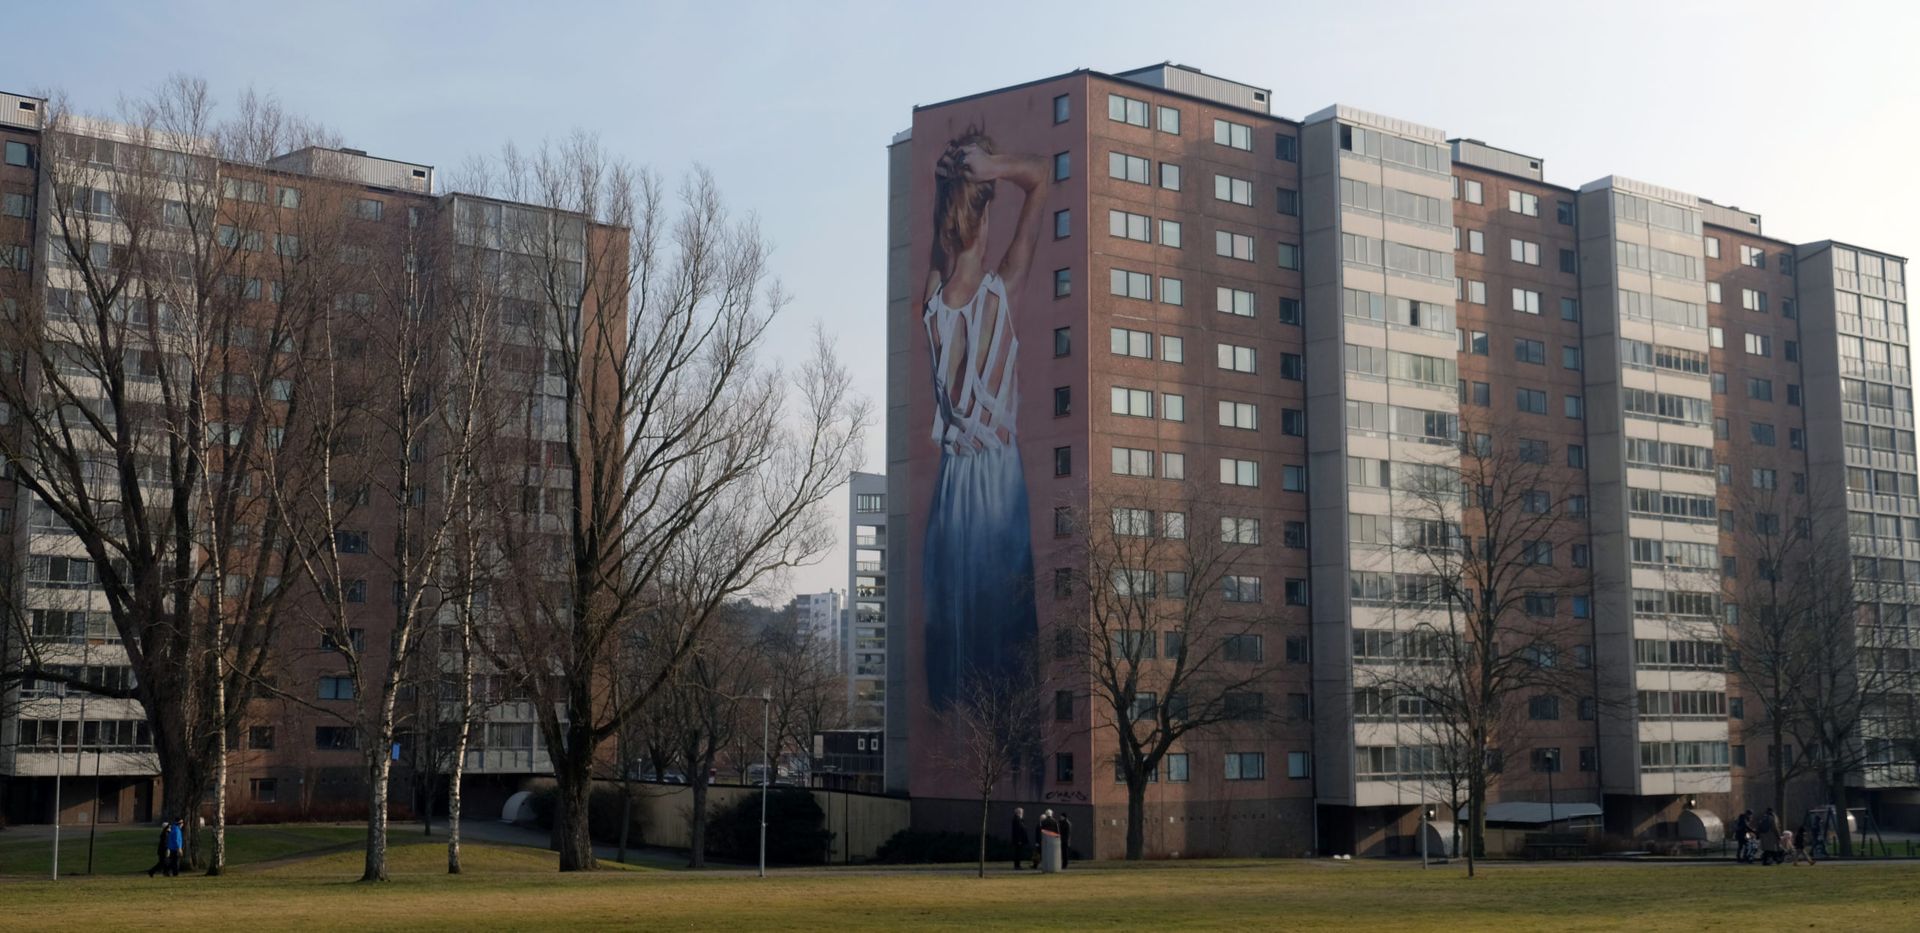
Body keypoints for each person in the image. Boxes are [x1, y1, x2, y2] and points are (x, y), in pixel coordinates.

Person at [920, 124, 1050, 712]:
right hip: (998, 484)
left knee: (954, 635)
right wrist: (992, 168)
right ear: (985, 210)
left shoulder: (929, 302)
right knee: (1004, 633)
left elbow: (934, 242)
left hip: (952, 489)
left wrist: (951, 181)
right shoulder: (1003, 292)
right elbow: (1041, 177)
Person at [1009, 807, 1030, 871]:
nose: (1022, 814)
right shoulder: (1017, 820)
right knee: (1017, 853)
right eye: (1021, 812)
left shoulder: (1019, 819)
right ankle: (1017, 866)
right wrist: (1019, 840)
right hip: (1018, 840)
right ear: (1018, 813)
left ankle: (1018, 865)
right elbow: (1017, 831)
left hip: (1019, 840)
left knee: (1018, 853)